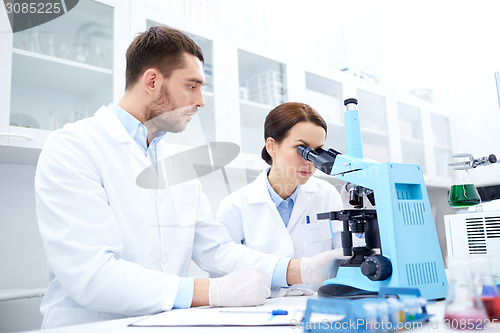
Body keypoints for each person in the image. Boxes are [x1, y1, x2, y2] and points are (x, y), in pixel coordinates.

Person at [34, 26, 342, 329]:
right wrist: (211, 291)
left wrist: (298, 269)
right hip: (92, 325)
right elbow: (91, 274)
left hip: (165, 322)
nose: (200, 101)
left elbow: (214, 248)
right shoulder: (74, 147)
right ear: (152, 81)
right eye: (192, 86)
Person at [216, 102, 358, 295]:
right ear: (272, 146)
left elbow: (347, 258)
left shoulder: (326, 194)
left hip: (317, 304)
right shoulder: (234, 206)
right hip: (260, 309)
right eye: (301, 149)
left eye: (317, 152)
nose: (311, 161)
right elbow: (221, 270)